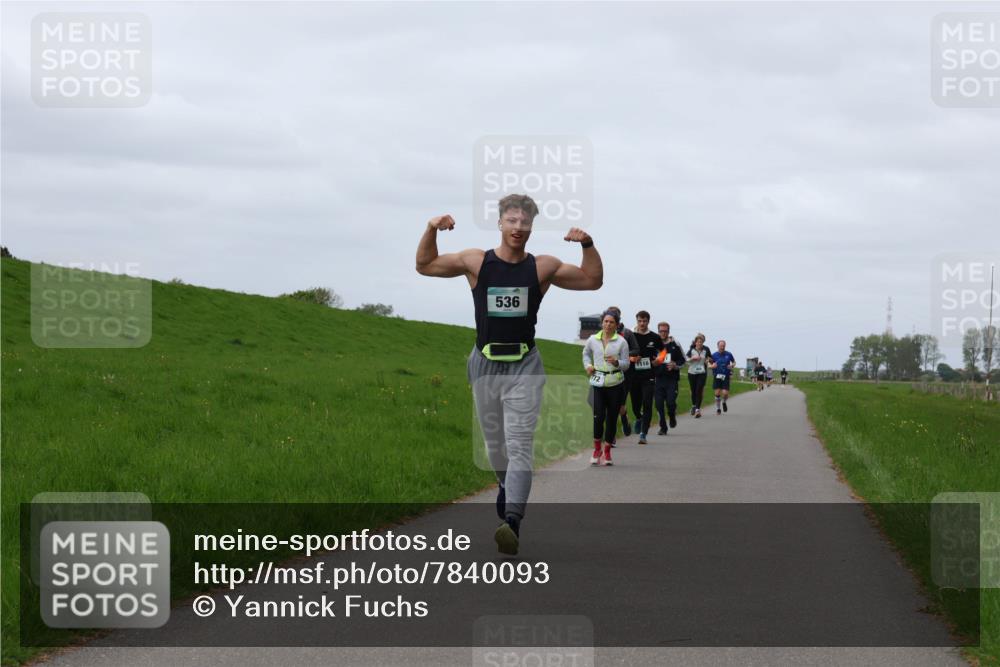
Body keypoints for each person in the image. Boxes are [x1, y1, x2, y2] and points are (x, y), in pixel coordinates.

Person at [415, 194, 602, 555]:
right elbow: (425, 265)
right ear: (500, 223)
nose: (518, 228)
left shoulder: (542, 267)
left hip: (524, 366)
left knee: (519, 446)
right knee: (495, 447)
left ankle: (512, 520)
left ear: (531, 227)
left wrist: (588, 244)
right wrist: (431, 228)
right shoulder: (475, 262)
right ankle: (506, 489)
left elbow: (592, 280)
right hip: (483, 364)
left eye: (525, 223)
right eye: (512, 221)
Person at [583, 311, 630, 466]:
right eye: (606, 321)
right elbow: (585, 355)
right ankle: (597, 449)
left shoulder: (621, 342)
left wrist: (617, 363)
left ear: (616, 325)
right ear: (601, 323)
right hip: (597, 383)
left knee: (611, 418)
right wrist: (588, 366)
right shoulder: (592, 340)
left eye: (611, 322)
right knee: (598, 416)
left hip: (615, 383)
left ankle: (607, 451)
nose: (608, 324)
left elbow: (627, 364)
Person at [628, 311, 663, 444]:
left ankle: (643, 434)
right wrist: (632, 358)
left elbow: (663, 351)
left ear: (648, 322)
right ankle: (638, 417)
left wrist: (658, 360)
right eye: (640, 321)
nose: (642, 324)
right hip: (633, 375)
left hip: (649, 375)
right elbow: (623, 352)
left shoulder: (654, 337)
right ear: (637, 321)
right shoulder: (630, 335)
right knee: (636, 405)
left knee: (647, 403)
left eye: (644, 321)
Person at [605, 306, 638, 442]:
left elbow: (636, 349)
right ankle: (610, 437)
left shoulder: (628, 333)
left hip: (624, 374)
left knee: (619, 405)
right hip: (607, 374)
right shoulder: (602, 333)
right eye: (609, 316)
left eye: (614, 315)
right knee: (608, 406)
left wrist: (622, 356)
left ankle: (624, 418)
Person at [654, 321, 685, 435]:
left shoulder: (675, 344)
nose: (663, 333)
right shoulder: (654, 345)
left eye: (665, 331)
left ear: (668, 332)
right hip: (658, 379)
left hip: (671, 380)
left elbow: (683, 360)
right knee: (658, 405)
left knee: (670, 403)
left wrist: (675, 365)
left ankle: (672, 416)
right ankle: (663, 427)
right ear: (658, 331)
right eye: (661, 331)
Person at [686, 333, 711, 418]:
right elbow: (686, 360)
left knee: (699, 390)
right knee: (693, 391)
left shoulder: (705, 350)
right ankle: (693, 405)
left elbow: (708, 358)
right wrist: (692, 358)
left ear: (702, 343)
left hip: (702, 373)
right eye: (698, 342)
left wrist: (707, 360)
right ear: (695, 342)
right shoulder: (691, 350)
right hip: (692, 373)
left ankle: (697, 410)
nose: (699, 343)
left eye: (701, 342)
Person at [708, 340, 736, 415]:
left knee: (725, 393)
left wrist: (732, 365)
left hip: (726, 376)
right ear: (718, 346)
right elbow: (708, 364)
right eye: (721, 346)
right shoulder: (713, 355)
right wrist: (712, 366)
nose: (722, 347)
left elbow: (734, 362)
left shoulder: (729, 354)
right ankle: (718, 409)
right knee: (717, 393)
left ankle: (724, 402)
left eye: (723, 346)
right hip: (717, 376)